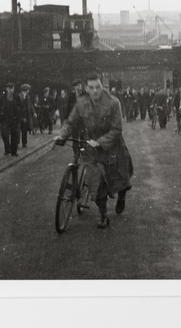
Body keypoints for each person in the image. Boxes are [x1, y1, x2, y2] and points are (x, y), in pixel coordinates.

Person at [54, 74, 134, 229]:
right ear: (86, 88)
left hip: (112, 146)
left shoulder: (113, 102)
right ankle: (103, 215)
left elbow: (117, 129)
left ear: (102, 87)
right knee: (96, 183)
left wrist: (101, 142)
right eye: (91, 88)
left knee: (120, 179)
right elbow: (70, 122)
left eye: (98, 87)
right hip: (92, 147)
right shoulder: (81, 103)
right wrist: (62, 135)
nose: (95, 91)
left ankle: (122, 196)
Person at [0, 82, 21, 156]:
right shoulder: (2, 97)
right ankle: (7, 149)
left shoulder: (16, 97)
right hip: (5, 119)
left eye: (12, 88)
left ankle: (14, 151)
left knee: (14, 136)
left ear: (14, 89)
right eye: (9, 88)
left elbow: (20, 108)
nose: (10, 90)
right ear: (6, 89)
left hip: (14, 119)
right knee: (5, 135)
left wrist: (18, 117)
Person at [18, 83, 34, 148]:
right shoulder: (19, 96)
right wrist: (22, 117)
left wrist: (34, 112)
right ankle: (17, 143)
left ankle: (24, 143)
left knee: (24, 130)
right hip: (20, 116)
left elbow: (30, 105)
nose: (29, 91)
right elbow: (18, 107)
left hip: (26, 116)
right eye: (28, 90)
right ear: (25, 90)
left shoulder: (28, 96)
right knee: (18, 131)